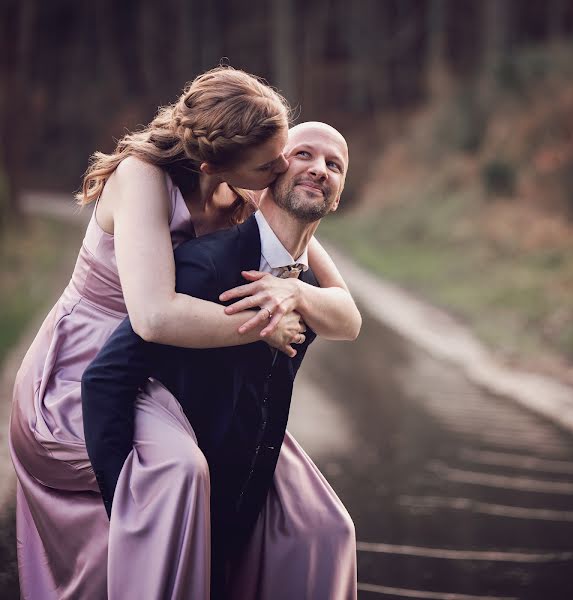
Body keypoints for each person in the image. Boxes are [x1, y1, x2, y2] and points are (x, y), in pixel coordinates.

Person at [9, 66, 361, 600]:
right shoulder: (141, 179)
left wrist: (295, 293)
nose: (284, 170)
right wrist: (261, 325)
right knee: (180, 471)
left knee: (316, 519)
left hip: (177, 371)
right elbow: (152, 317)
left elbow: (345, 313)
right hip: (89, 367)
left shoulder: (244, 189)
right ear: (214, 163)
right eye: (273, 163)